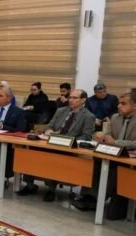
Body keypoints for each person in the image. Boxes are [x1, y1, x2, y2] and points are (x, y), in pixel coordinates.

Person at [17, 89, 95, 202]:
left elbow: (86, 137)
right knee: (31, 151)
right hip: (51, 142)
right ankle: (30, 185)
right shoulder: (61, 110)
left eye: (74, 98)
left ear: (83, 100)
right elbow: (50, 126)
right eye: (70, 97)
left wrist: (67, 139)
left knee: (53, 156)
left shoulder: (88, 116)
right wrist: (48, 130)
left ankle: (51, 190)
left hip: (68, 148)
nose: (70, 100)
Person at [71, 90, 136, 218]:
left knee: (112, 168)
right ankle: (89, 197)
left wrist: (116, 142)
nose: (119, 106)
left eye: (123, 103)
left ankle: (99, 199)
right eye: (118, 103)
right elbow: (108, 135)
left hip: (130, 160)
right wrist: (101, 136)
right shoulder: (115, 117)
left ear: (134, 106)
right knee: (96, 160)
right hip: (113, 154)